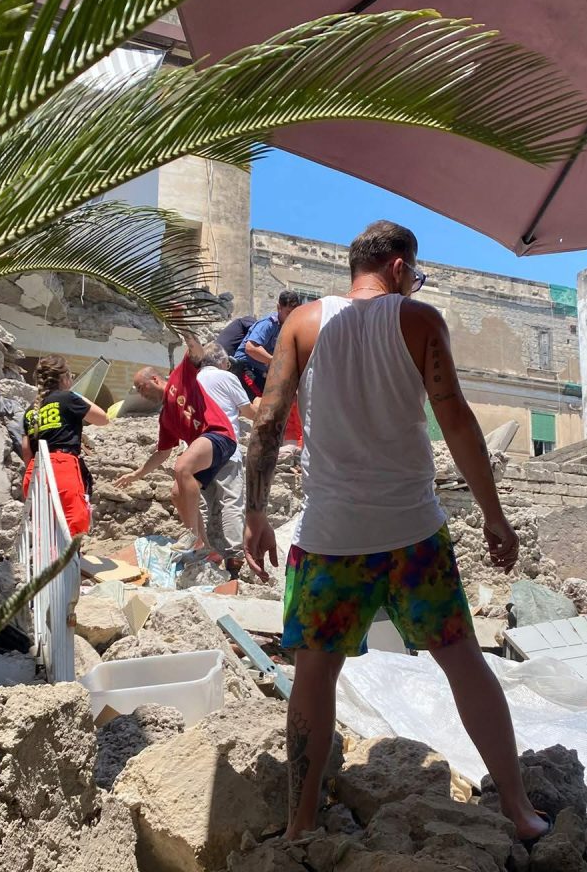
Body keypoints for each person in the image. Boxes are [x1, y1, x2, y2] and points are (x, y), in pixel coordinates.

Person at [243, 220, 552, 846]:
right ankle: (518, 811)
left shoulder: (301, 322)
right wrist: (494, 514)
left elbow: (269, 418)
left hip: (330, 536)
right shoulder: (419, 321)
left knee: (312, 674)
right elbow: (457, 419)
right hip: (414, 533)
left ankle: (301, 823)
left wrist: (253, 510)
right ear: (401, 266)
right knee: (462, 660)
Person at [114, 330, 238, 555]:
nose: (142, 395)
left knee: (182, 466)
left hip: (220, 435)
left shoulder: (179, 377)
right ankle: (206, 549)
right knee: (176, 492)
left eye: (142, 388)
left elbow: (197, 354)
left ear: (154, 379)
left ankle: (191, 535)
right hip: (206, 445)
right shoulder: (166, 417)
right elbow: (162, 453)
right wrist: (136, 474)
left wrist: (189, 336)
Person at [22, 354, 111, 536]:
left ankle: (50, 562)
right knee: (73, 523)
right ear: (64, 378)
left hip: (34, 470)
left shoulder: (31, 410)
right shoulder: (67, 399)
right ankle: (68, 563)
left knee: (45, 528)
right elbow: (103, 418)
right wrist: (74, 393)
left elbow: (26, 449)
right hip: (62, 466)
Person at [197, 341, 260, 570]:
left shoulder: (191, 379)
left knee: (201, 502)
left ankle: (200, 549)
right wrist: (260, 404)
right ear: (222, 361)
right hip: (225, 447)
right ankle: (234, 556)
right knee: (231, 499)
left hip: (196, 449)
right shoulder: (226, 378)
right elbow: (249, 412)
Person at [232, 290, 300, 398]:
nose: (291, 317)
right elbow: (251, 348)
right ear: (279, 308)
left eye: (294, 313)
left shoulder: (285, 327)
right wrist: (275, 360)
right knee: (261, 402)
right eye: (288, 312)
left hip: (259, 372)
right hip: (245, 368)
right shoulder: (268, 324)